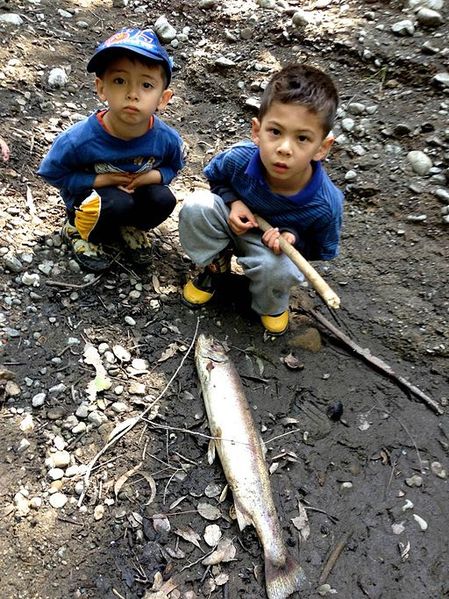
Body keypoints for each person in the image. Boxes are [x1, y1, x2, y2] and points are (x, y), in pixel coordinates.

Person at [179, 63, 343, 335]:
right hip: (233, 224)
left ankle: (272, 302)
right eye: (275, 132)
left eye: (302, 138)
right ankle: (216, 267)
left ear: (322, 147)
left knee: (279, 269)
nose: (284, 148)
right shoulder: (239, 158)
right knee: (198, 206)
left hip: (274, 252)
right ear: (257, 130)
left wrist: (292, 239)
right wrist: (233, 202)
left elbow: (320, 249)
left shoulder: (326, 204)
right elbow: (216, 178)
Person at [38, 27, 185, 272]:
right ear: (101, 87)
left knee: (163, 198)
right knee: (116, 204)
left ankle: (130, 226)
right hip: (94, 198)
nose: (132, 94)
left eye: (146, 85)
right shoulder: (80, 139)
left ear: (163, 98)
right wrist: (100, 179)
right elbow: (52, 173)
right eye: (119, 81)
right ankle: (79, 231)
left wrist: (151, 177)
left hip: (134, 191)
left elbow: (174, 165)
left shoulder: (166, 138)